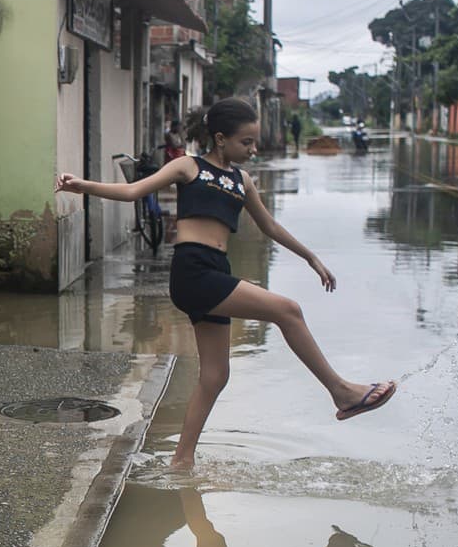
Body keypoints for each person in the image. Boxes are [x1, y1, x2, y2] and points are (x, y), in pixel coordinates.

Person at [56, 98, 396, 469]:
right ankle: (342, 392)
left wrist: (311, 257)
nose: (253, 149)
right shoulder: (189, 166)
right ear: (221, 139)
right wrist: (81, 186)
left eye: (254, 142)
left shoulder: (241, 180)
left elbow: (270, 227)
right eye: (246, 142)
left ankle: (181, 461)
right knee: (288, 310)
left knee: (216, 376)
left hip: (217, 268)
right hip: (193, 271)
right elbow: (135, 191)